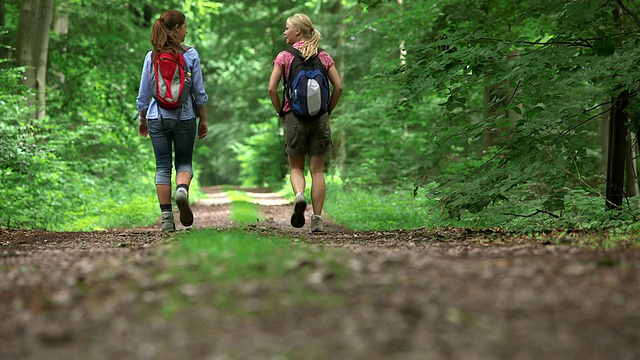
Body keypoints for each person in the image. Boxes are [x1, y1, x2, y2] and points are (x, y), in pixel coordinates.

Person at [268, 13, 343, 233]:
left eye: (287, 28)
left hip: (294, 117)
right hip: (320, 117)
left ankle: (300, 196)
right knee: (317, 170)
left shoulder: (285, 57)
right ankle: (317, 219)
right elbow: (338, 87)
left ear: (297, 32)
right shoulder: (324, 56)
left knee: (296, 167)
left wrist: (281, 111)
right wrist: (327, 110)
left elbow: (272, 89)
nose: (284, 32)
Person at [136, 9, 208, 233]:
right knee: (184, 162)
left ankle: (167, 218)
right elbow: (199, 93)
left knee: (162, 167)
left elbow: (144, 94)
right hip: (185, 117)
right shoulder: (191, 55)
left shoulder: (152, 56)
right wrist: (203, 120)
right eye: (184, 26)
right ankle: (182, 190)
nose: (186, 31)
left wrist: (142, 118)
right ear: (176, 28)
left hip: (156, 117)